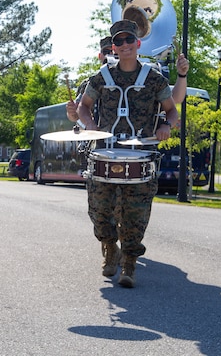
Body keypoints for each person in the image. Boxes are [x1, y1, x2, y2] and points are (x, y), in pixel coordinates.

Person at [77, 19, 188, 288]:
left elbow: (172, 109)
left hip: (141, 154)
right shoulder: (101, 77)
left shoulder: (153, 78)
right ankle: (108, 246)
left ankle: (129, 262)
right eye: (119, 41)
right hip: (104, 152)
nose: (124, 45)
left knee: (135, 212)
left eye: (129, 40)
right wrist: (90, 125)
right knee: (100, 211)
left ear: (137, 43)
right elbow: (84, 107)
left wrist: (166, 124)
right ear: (113, 47)